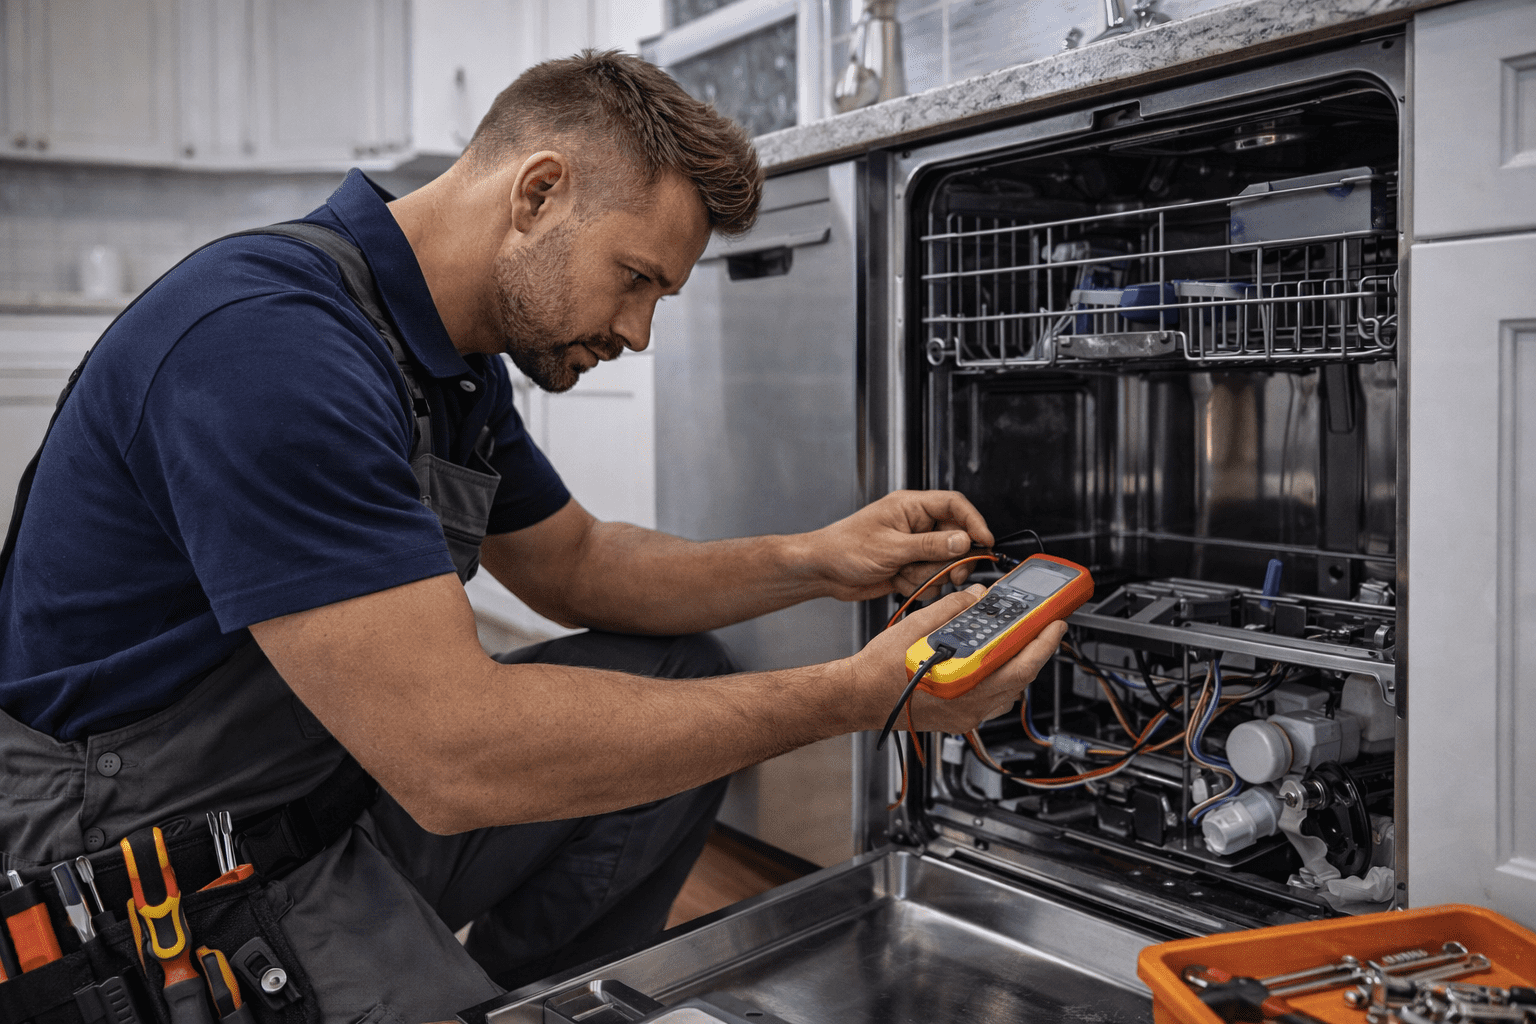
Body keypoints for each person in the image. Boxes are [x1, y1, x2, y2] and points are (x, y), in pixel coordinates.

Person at [0, 50, 1064, 1024]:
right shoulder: (270, 347)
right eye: (637, 277)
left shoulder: (447, 359)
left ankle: (518, 996)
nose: (640, 332)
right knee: (516, 741)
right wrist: (858, 694)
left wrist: (814, 559)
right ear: (538, 191)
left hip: (319, 794)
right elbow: (452, 754)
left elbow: (579, 564)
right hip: (152, 869)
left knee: (677, 669)